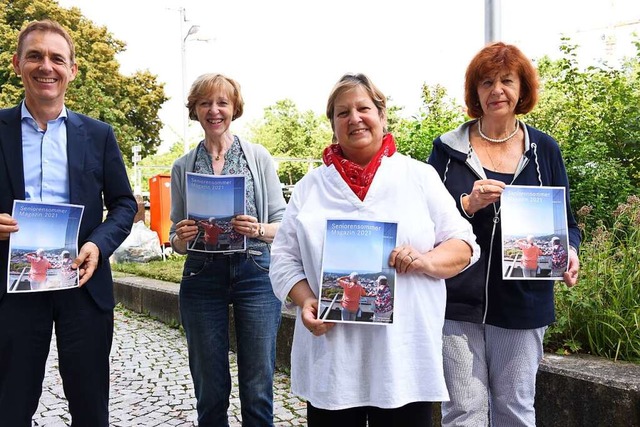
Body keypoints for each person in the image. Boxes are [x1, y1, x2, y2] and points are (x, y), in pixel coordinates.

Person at [269, 73, 479, 427]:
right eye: (342, 112)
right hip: (333, 358)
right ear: (333, 124)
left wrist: (426, 260)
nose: (354, 118)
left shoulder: (419, 177)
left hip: (403, 361)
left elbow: (464, 245)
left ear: (382, 115)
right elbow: (283, 258)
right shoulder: (310, 187)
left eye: (363, 108)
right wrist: (305, 300)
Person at [428, 42, 581, 426]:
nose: (497, 90)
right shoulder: (446, 150)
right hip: (458, 302)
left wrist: (572, 251)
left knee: (515, 409)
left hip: (523, 302)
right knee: (463, 411)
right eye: (486, 82)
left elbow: (567, 224)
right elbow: (426, 224)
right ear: (475, 93)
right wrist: (468, 204)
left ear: (521, 89)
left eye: (506, 80)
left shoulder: (544, 149)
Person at [0, 19, 137, 426]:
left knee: (91, 405)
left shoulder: (98, 134)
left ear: (72, 70)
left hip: (81, 281)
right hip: (14, 285)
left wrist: (97, 244)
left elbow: (124, 204)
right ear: (17, 63)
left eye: (57, 58)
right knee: (10, 403)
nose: (47, 66)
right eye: (35, 56)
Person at [169, 73, 287, 426]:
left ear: (234, 108)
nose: (214, 110)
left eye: (222, 102)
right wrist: (182, 236)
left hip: (256, 273)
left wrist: (260, 229)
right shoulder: (182, 166)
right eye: (205, 103)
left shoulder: (259, 158)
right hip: (202, 276)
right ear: (195, 110)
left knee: (258, 384)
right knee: (209, 386)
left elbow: (284, 227)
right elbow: (175, 240)